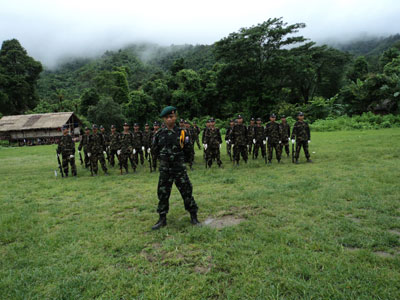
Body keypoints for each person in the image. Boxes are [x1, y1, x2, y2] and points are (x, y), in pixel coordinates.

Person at [151, 106, 200, 230]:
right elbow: (155, 151)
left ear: (175, 117)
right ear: (163, 119)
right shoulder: (159, 134)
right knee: (163, 193)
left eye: (171, 117)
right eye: (167, 118)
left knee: (187, 191)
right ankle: (162, 219)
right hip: (165, 170)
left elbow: (188, 150)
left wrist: (187, 162)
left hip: (179, 169)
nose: (169, 119)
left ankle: (194, 216)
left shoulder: (183, 132)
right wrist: (162, 162)